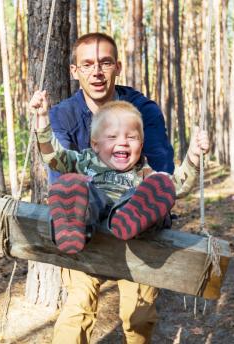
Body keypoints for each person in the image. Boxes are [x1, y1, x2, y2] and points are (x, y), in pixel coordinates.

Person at [33, 32, 184, 344]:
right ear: (74, 71)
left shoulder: (141, 109)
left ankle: (128, 215)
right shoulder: (62, 114)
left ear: (117, 66)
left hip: (137, 225)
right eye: (87, 65)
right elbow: (60, 171)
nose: (97, 72)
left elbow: (162, 173)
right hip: (85, 227)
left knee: (137, 315)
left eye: (104, 63)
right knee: (77, 307)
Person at [30, 98, 209, 255]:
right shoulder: (84, 161)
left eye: (131, 137)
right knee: (80, 186)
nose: (122, 142)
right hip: (91, 238)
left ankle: (133, 215)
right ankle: (72, 222)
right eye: (112, 137)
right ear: (95, 144)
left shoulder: (144, 173)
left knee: (155, 187)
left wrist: (193, 155)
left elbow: (177, 186)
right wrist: (42, 120)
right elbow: (54, 157)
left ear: (141, 144)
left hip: (134, 248)